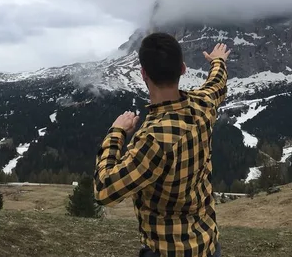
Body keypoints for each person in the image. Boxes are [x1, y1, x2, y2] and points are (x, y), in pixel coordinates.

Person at [94, 32, 230, 257]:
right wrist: (218, 60)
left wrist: (117, 132)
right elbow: (216, 83)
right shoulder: (203, 105)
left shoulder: (153, 140)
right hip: (208, 244)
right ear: (183, 68)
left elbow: (104, 190)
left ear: (144, 74)